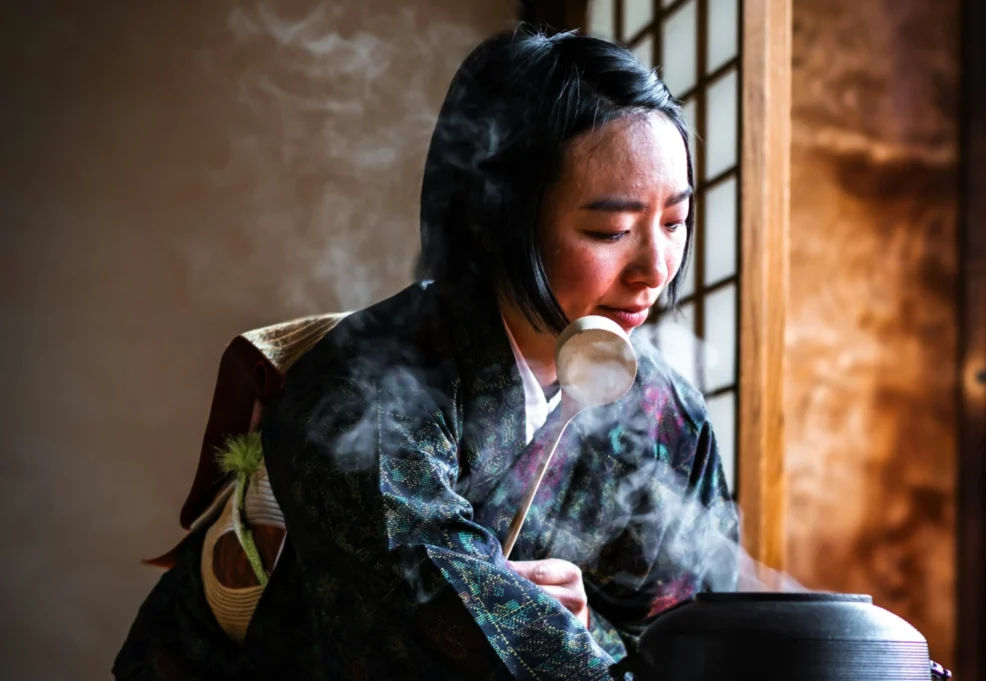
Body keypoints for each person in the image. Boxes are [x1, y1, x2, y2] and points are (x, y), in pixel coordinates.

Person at [114, 26, 737, 681]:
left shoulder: (667, 413)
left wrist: (579, 627)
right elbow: (443, 627)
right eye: (610, 230)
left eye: (674, 222)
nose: (655, 268)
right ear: (498, 218)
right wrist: (533, 625)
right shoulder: (365, 390)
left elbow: (695, 635)